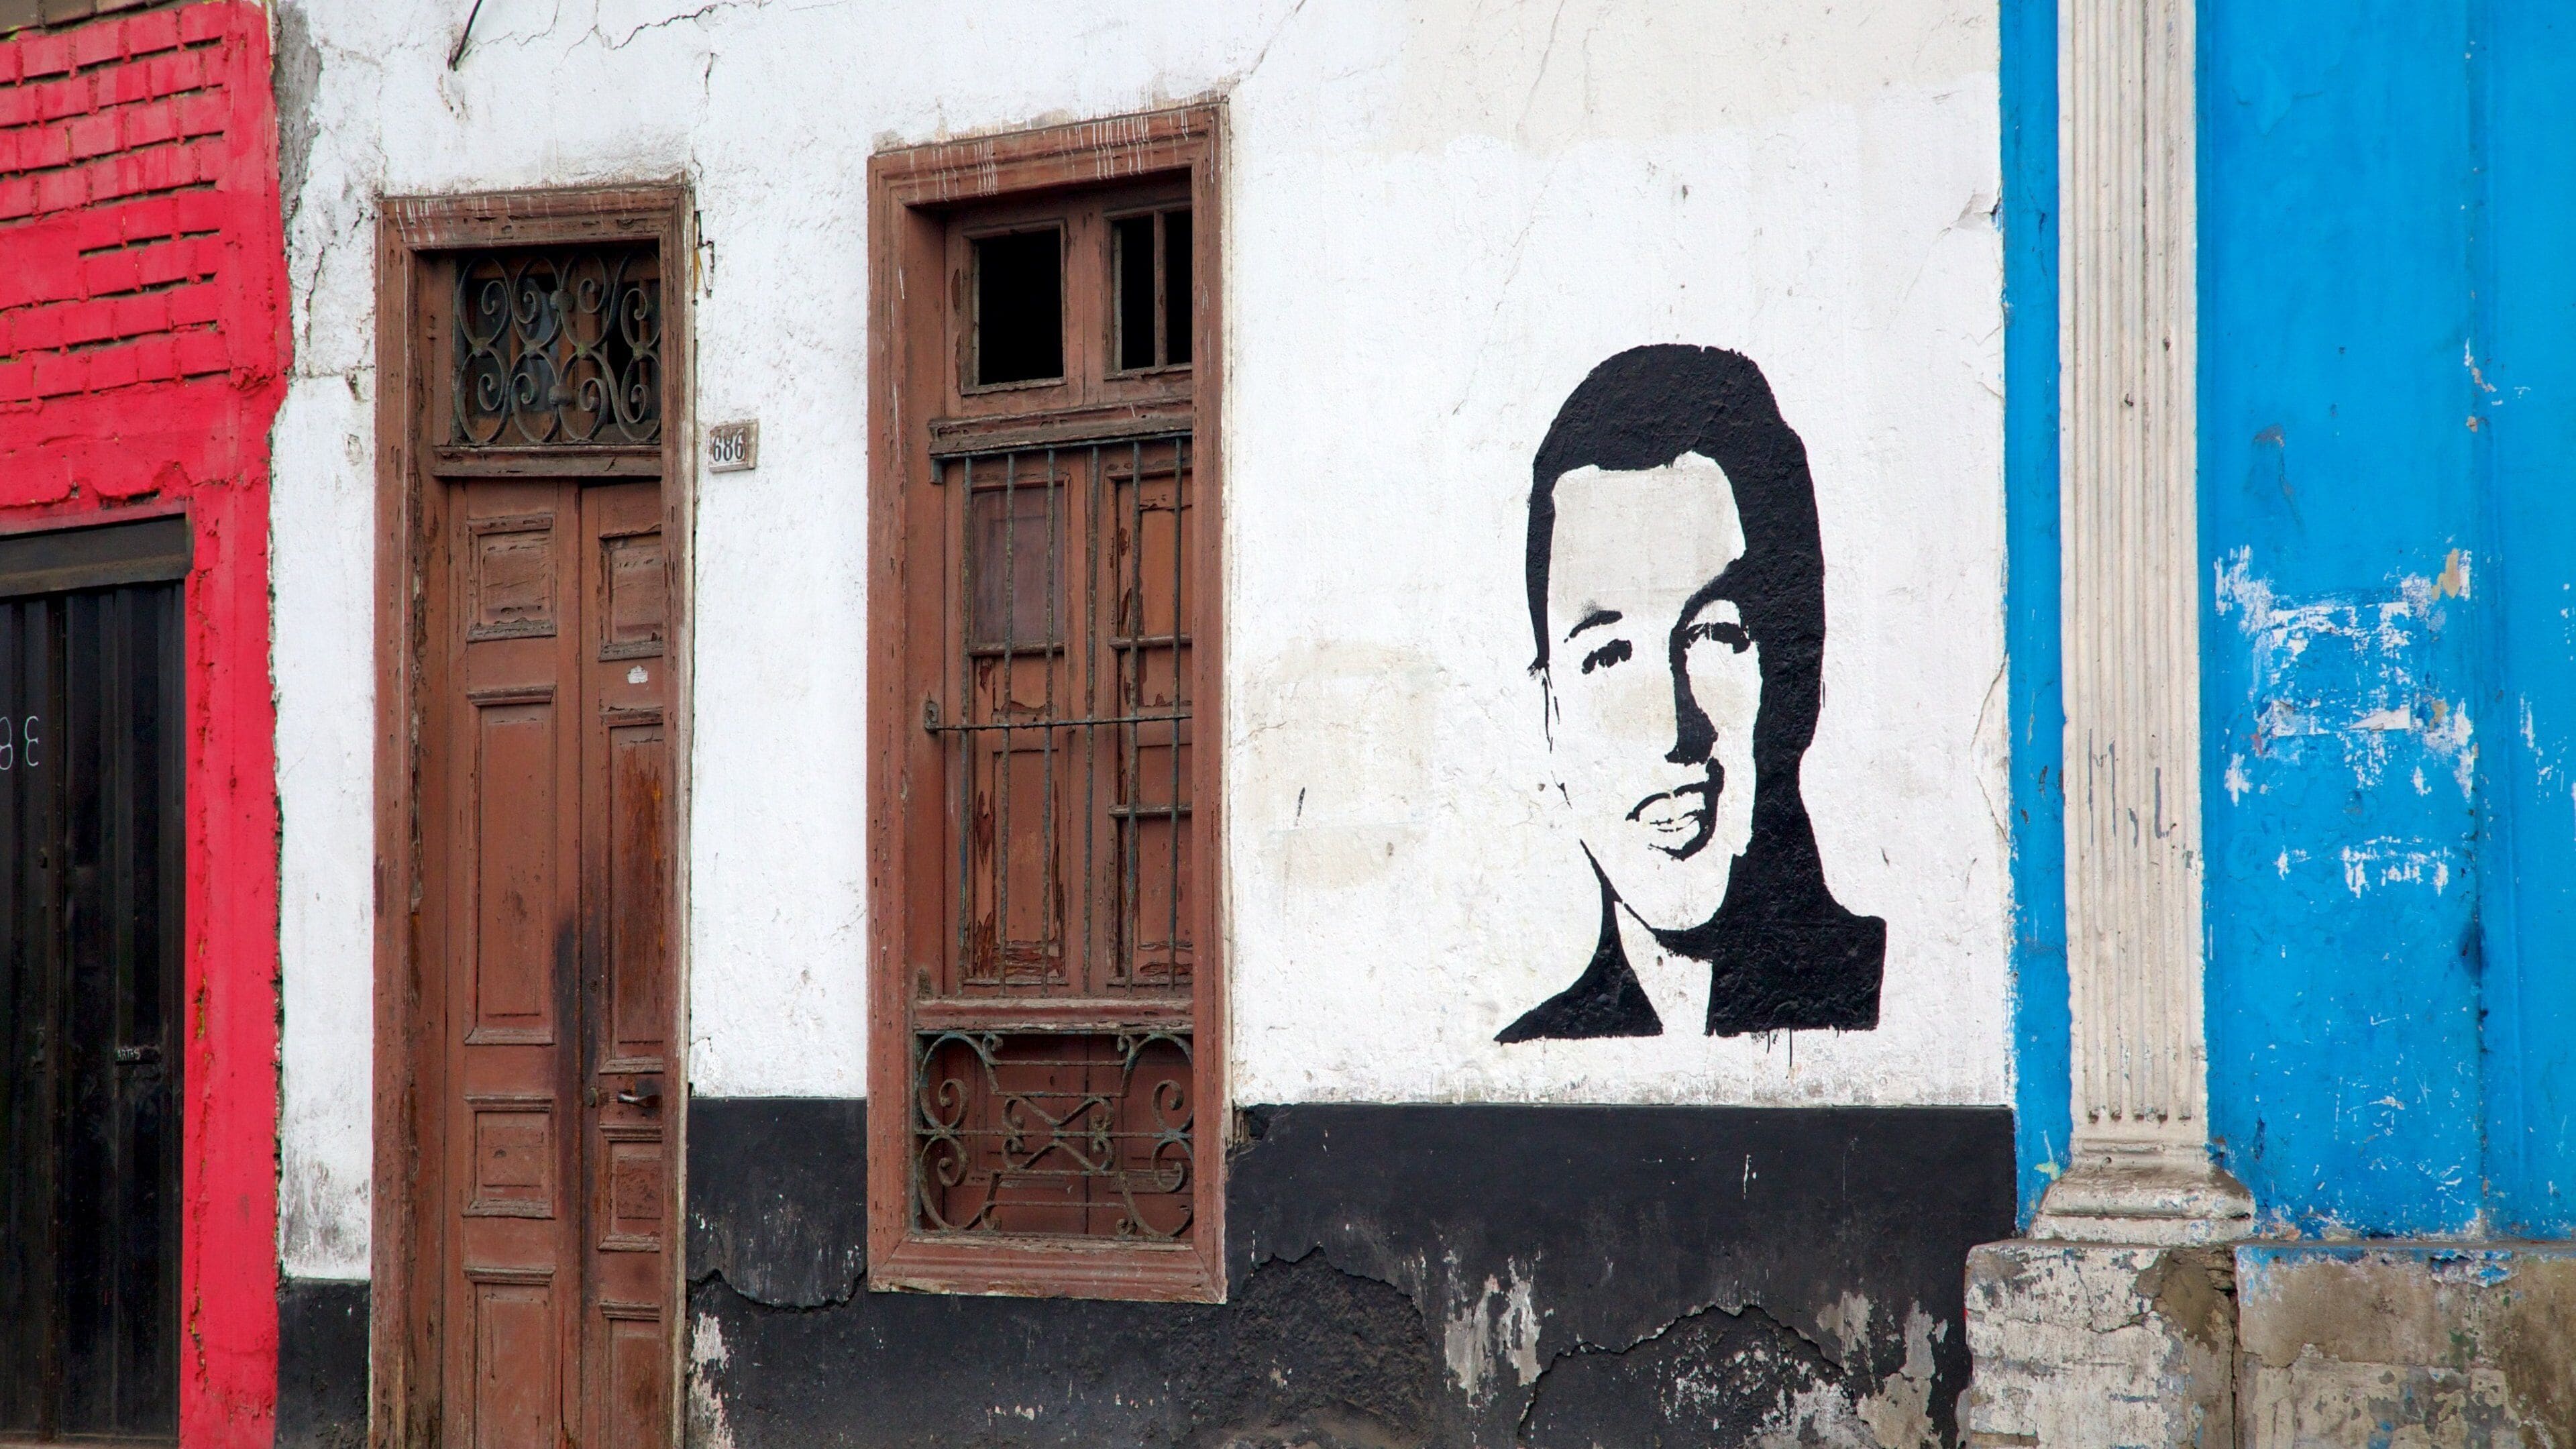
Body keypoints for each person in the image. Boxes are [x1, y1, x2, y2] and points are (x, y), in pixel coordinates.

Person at [1497, 345, 1884, 1042]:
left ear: (1798, 675)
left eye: (1714, 635)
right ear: (1550, 716)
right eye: (1608, 654)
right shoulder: (1533, 1059)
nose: (1672, 730)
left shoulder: (1880, 1008)